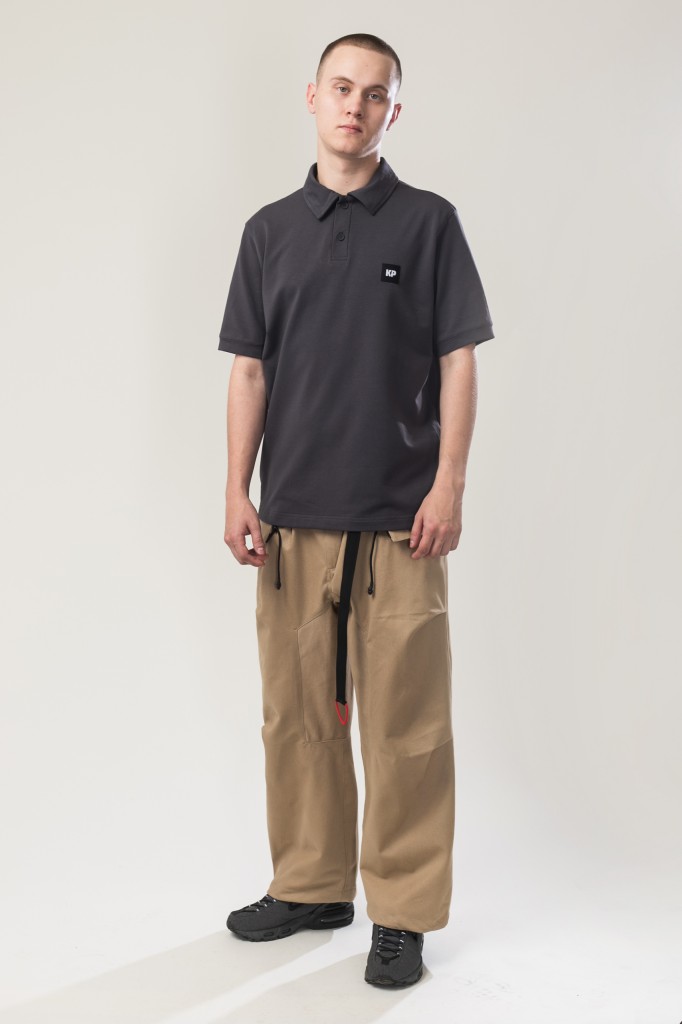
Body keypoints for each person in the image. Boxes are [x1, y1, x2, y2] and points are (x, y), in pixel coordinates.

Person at [218, 32, 495, 988]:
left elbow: (459, 358)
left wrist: (449, 482)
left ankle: (403, 913)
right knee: (296, 717)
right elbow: (250, 369)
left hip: (400, 524)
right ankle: (310, 884)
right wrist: (236, 488)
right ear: (312, 96)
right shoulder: (268, 231)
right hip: (292, 519)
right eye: (342, 87)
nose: (356, 105)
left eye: (375, 94)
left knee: (407, 728)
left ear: (393, 111)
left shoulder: (428, 223)